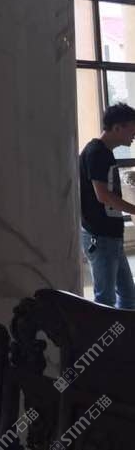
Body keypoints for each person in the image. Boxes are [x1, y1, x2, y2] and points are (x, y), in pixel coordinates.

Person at [80, 102, 135, 308]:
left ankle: (123, 330)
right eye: (132, 128)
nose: (134, 134)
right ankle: (104, 331)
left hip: (110, 235)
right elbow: (103, 196)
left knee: (128, 296)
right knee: (105, 301)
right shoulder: (97, 153)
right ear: (117, 127)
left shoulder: (104, 152)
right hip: (101, 236)